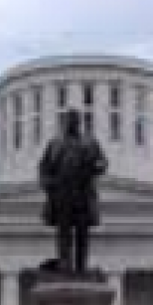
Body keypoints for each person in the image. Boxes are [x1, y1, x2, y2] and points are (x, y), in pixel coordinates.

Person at [38, 108, 108, 274]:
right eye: (69, 120)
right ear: (65, 123)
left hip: (83, 193)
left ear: (79, 123)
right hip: (62, 194)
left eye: (75, 120)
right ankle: (65, 264)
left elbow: (103, 162)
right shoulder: (55, 144)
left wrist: (96, 167)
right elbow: (44, 167)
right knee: (63, 232)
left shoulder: (90, 142)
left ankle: (81, 266)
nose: (72, 123)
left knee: (82, 232)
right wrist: (48, 183)